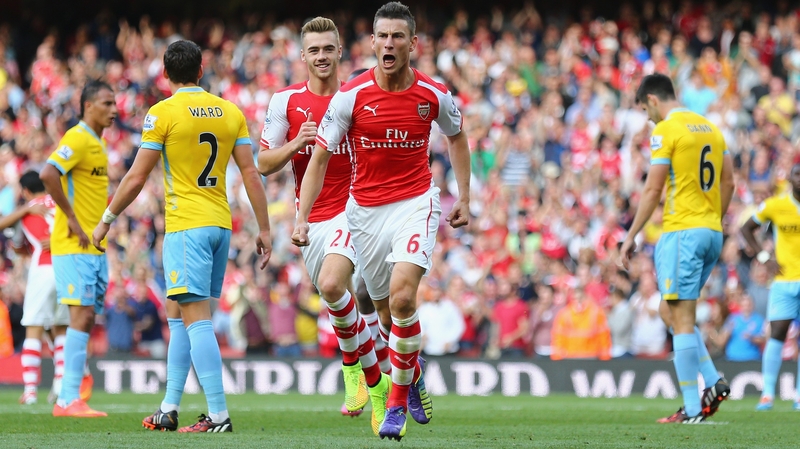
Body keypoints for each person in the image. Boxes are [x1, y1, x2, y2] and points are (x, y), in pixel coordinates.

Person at [293, 2, 471, 440]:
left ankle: (394, 406)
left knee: (404, 298)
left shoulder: (434, 94)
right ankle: (413, 369)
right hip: (365, 213)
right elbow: (319, 158)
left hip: (416, 203)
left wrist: (465, 196)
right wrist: (301, 218)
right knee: (389, 318)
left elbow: (457, 137)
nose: (389, 44)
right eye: (383, 37)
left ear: (413, 43)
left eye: (398, 37)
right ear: (372, 42)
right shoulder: (351, 95)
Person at [91, 40, 272, 433]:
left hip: (187, 227)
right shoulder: (230, 111)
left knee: (197, 320)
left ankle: (219, 415)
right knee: (177, 314)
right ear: (201, 70)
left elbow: (137, 177)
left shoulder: (163, 112)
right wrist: (264, 228)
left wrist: (107, 219)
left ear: (165, 74)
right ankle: (169, 408)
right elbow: (251, 172)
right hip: (220, 226)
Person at [256, 17, 390, 430]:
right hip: (313, 216)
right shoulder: (285, 101)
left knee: (336, 287)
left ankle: (364, 377)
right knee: (339, 300)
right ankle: (384, 371)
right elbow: (263, 163)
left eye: (328, 49)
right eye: (313, 50)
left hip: (357, 209)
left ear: (339, 52)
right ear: (303, 55)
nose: (321, 56)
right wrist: (297, 142)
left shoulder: (357, 96)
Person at [618, 73, 735, 424]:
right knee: (668, 311)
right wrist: (712, 219)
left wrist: (631, 234)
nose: (647, 119)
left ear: (653, 100)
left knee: (681, 319)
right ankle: (712, 380)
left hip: (682, 231)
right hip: (710, 231)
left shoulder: (667, 130)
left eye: (645, 110)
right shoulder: (711, 128)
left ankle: (692, 409)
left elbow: (653, 189)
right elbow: (729, 181)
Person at [40, 79, 117, 418]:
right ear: (88, 106)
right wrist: (71, 218)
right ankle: (68, 398)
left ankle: (73, 395)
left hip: (94, 246)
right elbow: (48, 173)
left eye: (114, 103)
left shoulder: (99, 143)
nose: (114, 110)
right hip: (73, 244)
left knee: (86, 318)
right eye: (106, 103)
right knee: (80, 315)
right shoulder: (78, 137)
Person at [741, 163, 800, 410]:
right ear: (790, 179)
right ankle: (767, 394)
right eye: (797, 174)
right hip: (784, 281)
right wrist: (765, 258)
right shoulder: (776, 205)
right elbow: (746, 228)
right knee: (776, 334)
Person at [16, 171, 69, 405]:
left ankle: (30, 390)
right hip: (66, 268)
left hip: (42, 268)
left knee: (34, 328)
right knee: (61, 328)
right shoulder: (60, 202)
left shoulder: (28, 208)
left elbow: (17, 244)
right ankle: (60, 384)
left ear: (25, 191)